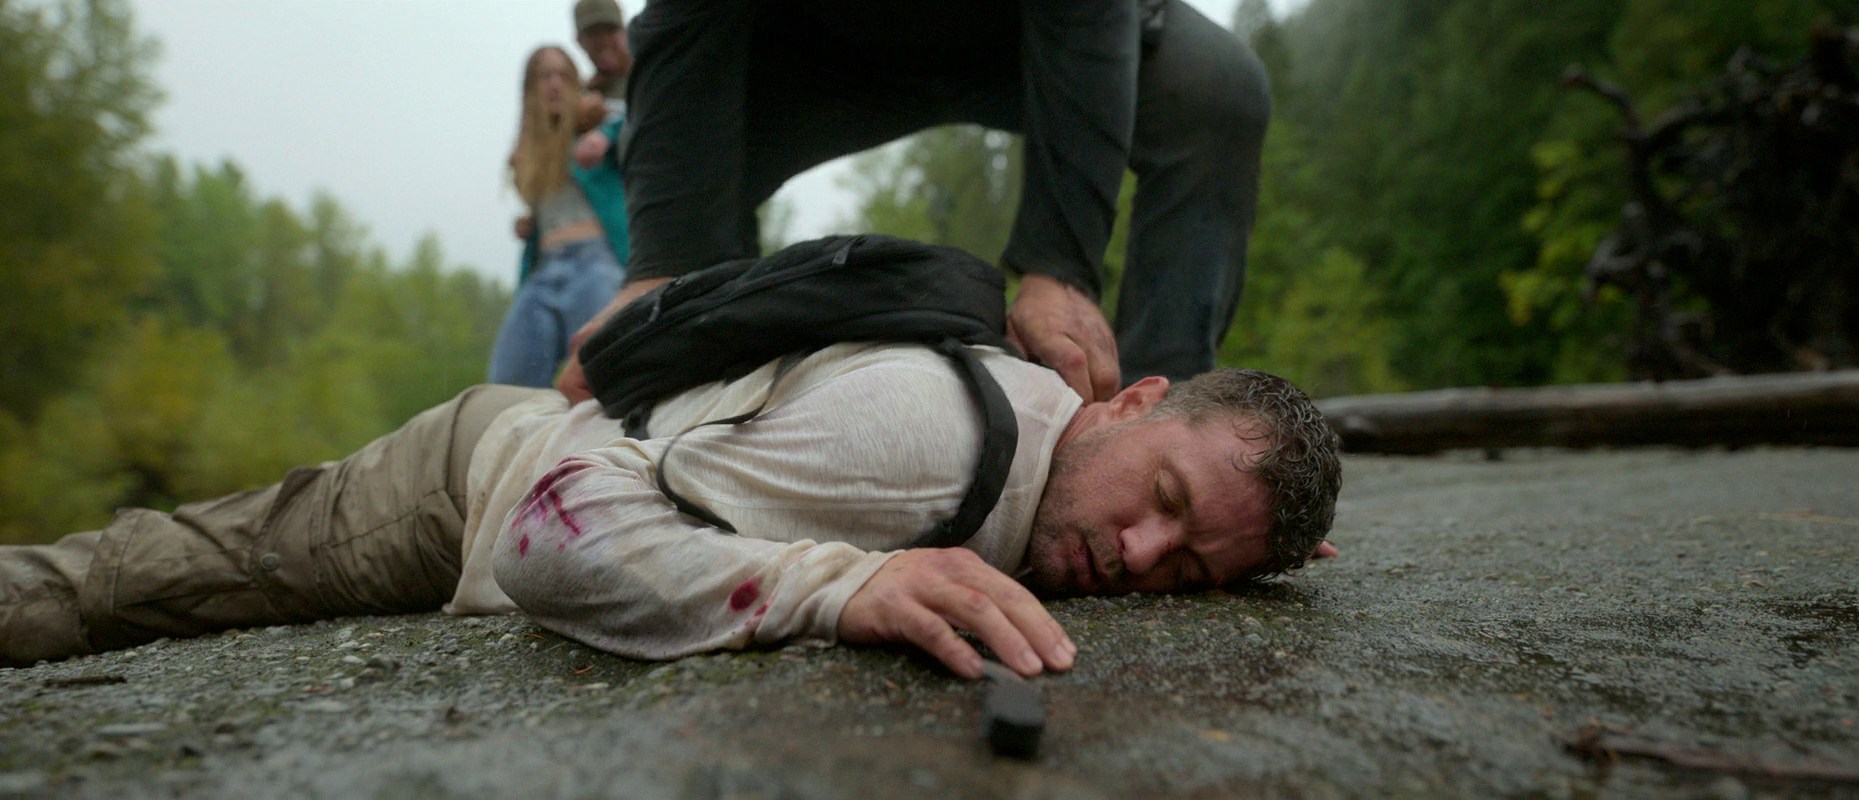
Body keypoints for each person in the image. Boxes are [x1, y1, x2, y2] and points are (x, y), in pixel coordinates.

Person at [0, 344, 1340, 678]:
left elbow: (1200, 515)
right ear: (1129, 399)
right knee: (147, 578)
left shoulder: (1065, 461)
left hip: (544, 446)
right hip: (471, 481)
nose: (1138, 553)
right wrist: (837, 585)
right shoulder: (931, 442)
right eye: (1164, 497)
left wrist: (1245, 540)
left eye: (1186, 571)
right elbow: (550, 535)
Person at [560, 0, 1271, 406]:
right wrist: (660, 278)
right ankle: (710, 414)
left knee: (1214, 91)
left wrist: (1062, 268)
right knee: (683, 190)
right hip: (818, 50)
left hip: (1034, 36)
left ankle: (1167, 406)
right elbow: (681, 26)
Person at [487, 46, 630, 387]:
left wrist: (604, 134)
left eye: (563, 76)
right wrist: (531, 225)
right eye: (544, 76)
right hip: (543, 271)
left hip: (595, 264)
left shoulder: (599, 122)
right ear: (530, 90)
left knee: (606, 376)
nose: (554, 84)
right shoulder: (531, 151)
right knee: (507, 386)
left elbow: (640, 114)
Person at [573, 0, 633, 123]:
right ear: (580, 41)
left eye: (610, 30)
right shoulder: (580, 97)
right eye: (594, 33)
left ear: (625, 32)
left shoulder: (650, 78)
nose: (604, 41)